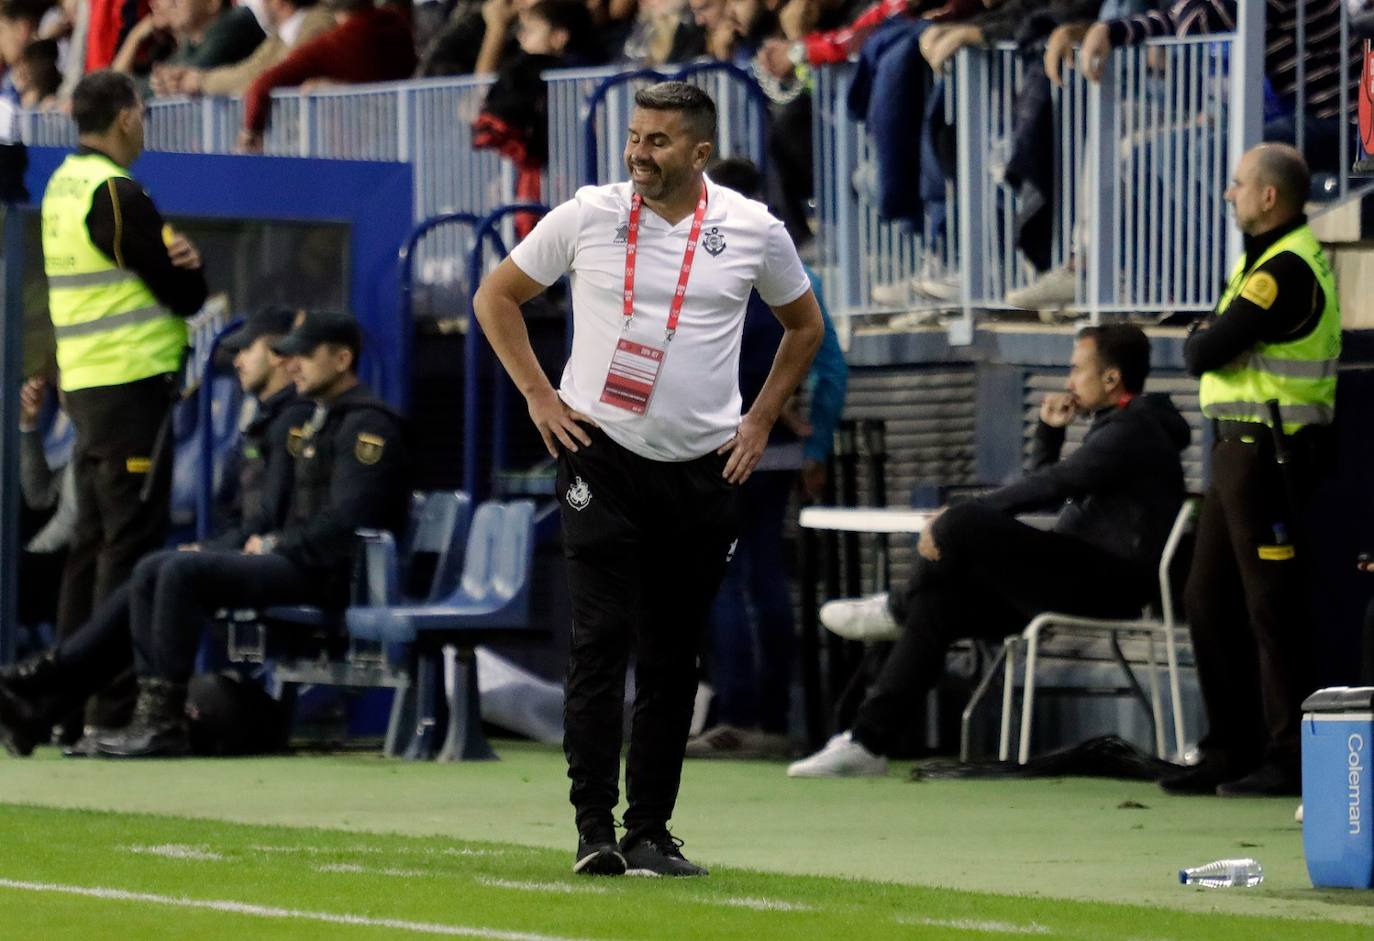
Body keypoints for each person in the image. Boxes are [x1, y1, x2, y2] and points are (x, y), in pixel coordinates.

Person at [473, 81, 822, 876]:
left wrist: (761, 418)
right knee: (599, 641)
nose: (639, 153)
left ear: (700, 153)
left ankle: (650, 832)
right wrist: (538, 393)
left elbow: (805, 327)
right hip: (602, 453)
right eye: (635, 137)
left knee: (673, 655)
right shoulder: (589, 213)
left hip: (706, 467)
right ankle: (593, 826)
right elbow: (497, 296)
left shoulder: (753, 228)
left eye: (658, 141)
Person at [790, 324, 1189, 777]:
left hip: (1105, 583)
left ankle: (894, 608)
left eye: (1077, 370)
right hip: (1073, 574)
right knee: (938, 605)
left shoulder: (1133, 430)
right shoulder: (1117, 426)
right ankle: (866, 743)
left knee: (963, 519)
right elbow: (1057, 490)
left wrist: (951, 520)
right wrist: (1048, 432)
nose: (1069, 381)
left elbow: (1052, 486)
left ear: (1112, 379)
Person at [86, 310, 409, 758]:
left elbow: (350, 519)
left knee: (182, 572)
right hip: (295, 562)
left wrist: (278, 544)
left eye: (304, 356)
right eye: (289, 356)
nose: (293, 365)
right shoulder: (320, 418)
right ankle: (153, 713)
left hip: (328, 576)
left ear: (341, 359)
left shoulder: (368, 424)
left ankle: (163, 719)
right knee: (154, 565)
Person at [0, 306, 312, 757]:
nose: (239, 359)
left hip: (293, 561)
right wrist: (215, 544)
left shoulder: (306, 423)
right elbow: (247, 519)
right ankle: (44, 702)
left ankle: (149, 716)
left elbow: (287, 521)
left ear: (284, 356)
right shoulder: (266, 421)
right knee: (153, 568)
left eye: (249, 349)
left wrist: (246, 544)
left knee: (173, 572)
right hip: (260, 551)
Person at [1162, 144, 1340, 798]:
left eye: (1238, 185)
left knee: (1271, 606)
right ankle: (1228, 746)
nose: (1229, 194)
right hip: (1236, 452)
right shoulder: (1261, 260)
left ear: (1269, 197)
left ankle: (1289, 754)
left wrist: (1203, 338)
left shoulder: (1284, 269)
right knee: (1205, 598)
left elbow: (1205, 347)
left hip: (1271, 453)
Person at [41, 68, 208, 739]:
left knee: (90, 546)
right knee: (126, 549)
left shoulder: (61, 185)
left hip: (85, 389)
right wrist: (187, 264)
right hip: (129, 389)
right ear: (128, 117)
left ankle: (58, 708)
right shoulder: (115, 191)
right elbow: (183, 293)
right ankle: (106, 712)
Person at [685, 156, 848, 760]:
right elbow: (830, 367)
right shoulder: (794, 269)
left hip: (716, 443)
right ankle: (775, 717)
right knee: (767, 575)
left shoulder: (703, 264)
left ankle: (736, 713)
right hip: (778, 450)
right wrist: (817, 444)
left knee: (723, 577)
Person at [236, 0, 417, 153]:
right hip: (406, 142)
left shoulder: (334, 44)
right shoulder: (397, 25)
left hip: (356, 152)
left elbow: (264, 83)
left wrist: (251, 130)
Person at [155, 0, 334, 97]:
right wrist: (194, 79)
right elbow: (250, 70)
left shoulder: (317, 24)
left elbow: (266, 76)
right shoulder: (278, 39)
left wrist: (198, 81)